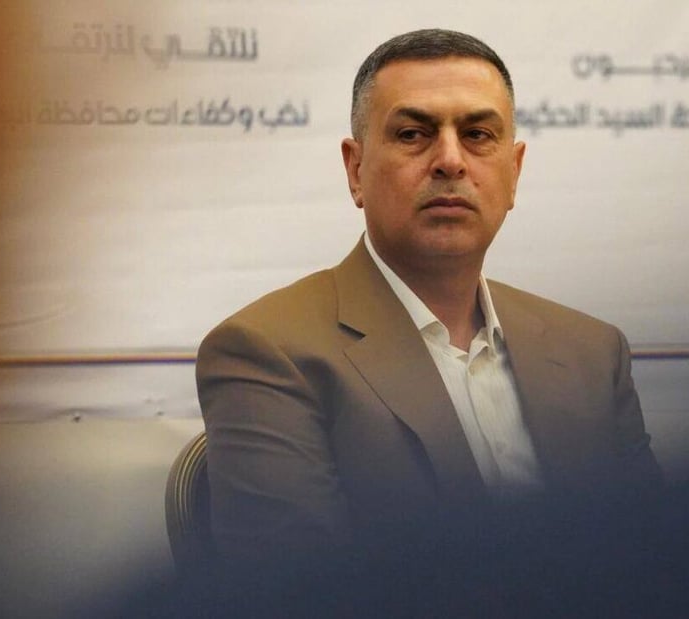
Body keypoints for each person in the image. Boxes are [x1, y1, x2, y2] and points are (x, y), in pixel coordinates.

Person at [195, 29, 663, 565]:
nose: (450, 161)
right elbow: (296, 590)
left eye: (478, 134)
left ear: (514, 172)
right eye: (413, 134)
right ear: (355, 170)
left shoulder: (593, 351)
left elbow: (660, 559)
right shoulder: (267, 353)